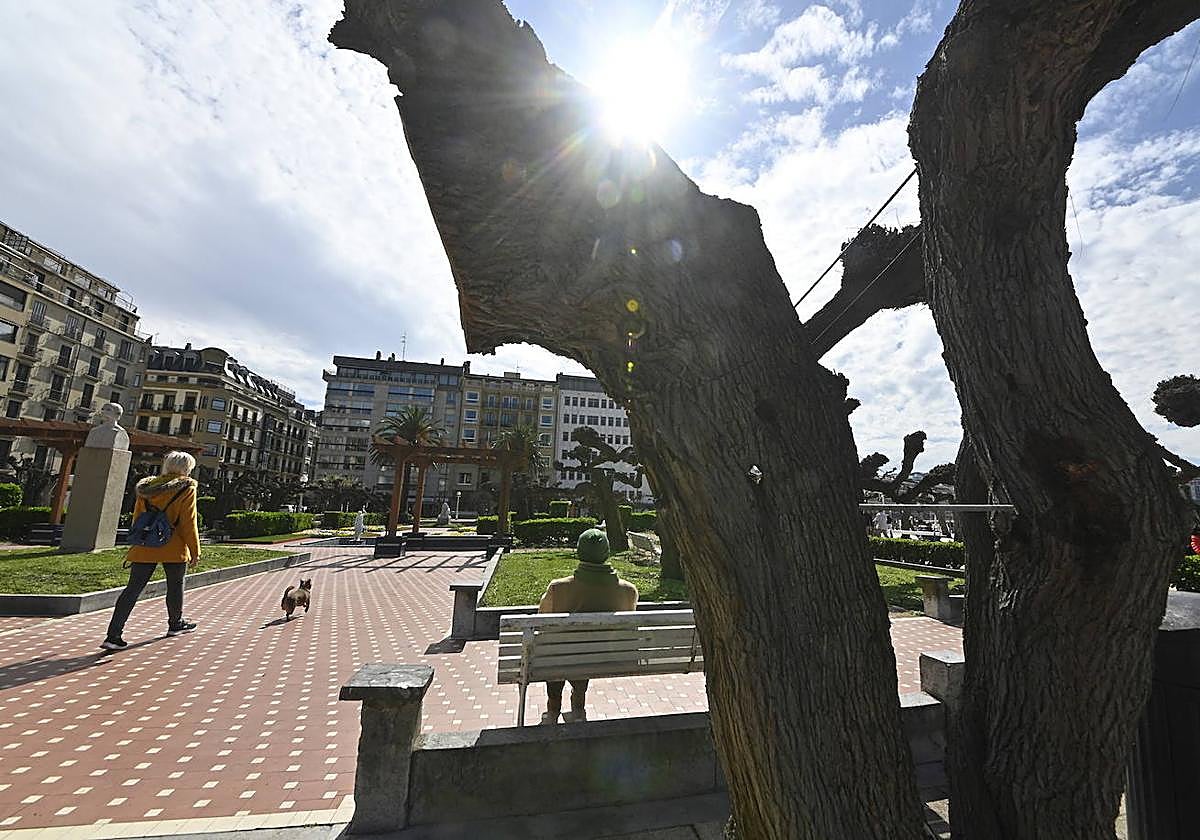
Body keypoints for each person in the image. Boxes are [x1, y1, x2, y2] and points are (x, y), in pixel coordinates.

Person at [101, 451, 201, 650]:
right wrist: (195, 550)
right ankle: (175, 624)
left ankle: (113, 635)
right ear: (186, 468)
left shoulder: (147, 488)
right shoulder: (187, 486)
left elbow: (138, 518)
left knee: (133, 589)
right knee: (175, 585)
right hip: (173, 545)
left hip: (146, 544)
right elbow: (188, 522)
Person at [537, 528, 638, 724]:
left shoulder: (558, 588)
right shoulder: (629, 592)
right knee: (584, 652)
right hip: (600, 659)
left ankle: (553, 707)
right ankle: (578, 704)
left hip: (557, 658)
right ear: (607, 553)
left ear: (579, 552)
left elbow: (541, 618)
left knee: (559, 650)